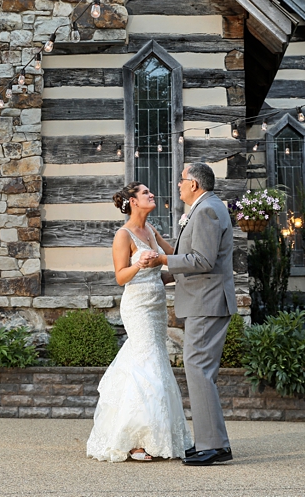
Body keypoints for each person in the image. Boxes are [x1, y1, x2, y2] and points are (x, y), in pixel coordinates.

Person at [86, 181, 192, 463]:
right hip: (137, 306)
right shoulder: (123, 235)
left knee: (154, 361)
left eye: (150, 190)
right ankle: (134, 440)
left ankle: (159, 436)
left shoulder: (152, 230)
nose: (151, 194)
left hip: (157, 305)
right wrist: (139, 264)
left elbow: (175, 260)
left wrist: (183, 266)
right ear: (132, 201)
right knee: (147, 363)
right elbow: (120, 276)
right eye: (145, 192)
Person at [142, 162, 236, 466]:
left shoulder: (207, 210)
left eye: (182, 180)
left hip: (207, 304)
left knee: (199, 371)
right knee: (199, 371)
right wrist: (165, 276)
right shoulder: (206, 207)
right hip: (203, 300)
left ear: (194, 184)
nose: (178, 185)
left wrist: (161, 259)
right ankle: (212, 442)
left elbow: (203, 260)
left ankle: (215, 447)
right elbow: (197, 261)